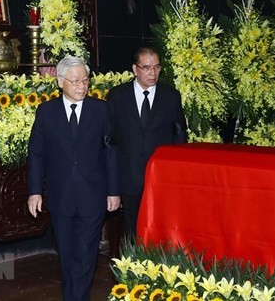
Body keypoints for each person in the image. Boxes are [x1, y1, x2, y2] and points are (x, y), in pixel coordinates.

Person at [27, 56, 120, 301]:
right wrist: (35, 191)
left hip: (93, 194)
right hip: (61, 196)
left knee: (85, 254)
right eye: (75, 81)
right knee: (67, 255)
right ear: (60, 81)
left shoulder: (101, 110)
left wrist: (113, 191)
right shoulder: (47, 112)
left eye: (85, 80)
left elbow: (111, 152)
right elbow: (37, 153)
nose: (82, 86)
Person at [106, 47, 187, 237]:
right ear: (135, 69)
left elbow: (180, 135)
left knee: (161, 229)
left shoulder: (171, 96)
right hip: (129, 176)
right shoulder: (117, 96)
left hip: (161, 177)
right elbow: (110, 139)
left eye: (157, 67)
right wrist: (113, 183)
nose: (153, 73)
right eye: (147, 67)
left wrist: (177, 174)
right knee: (132, 230)